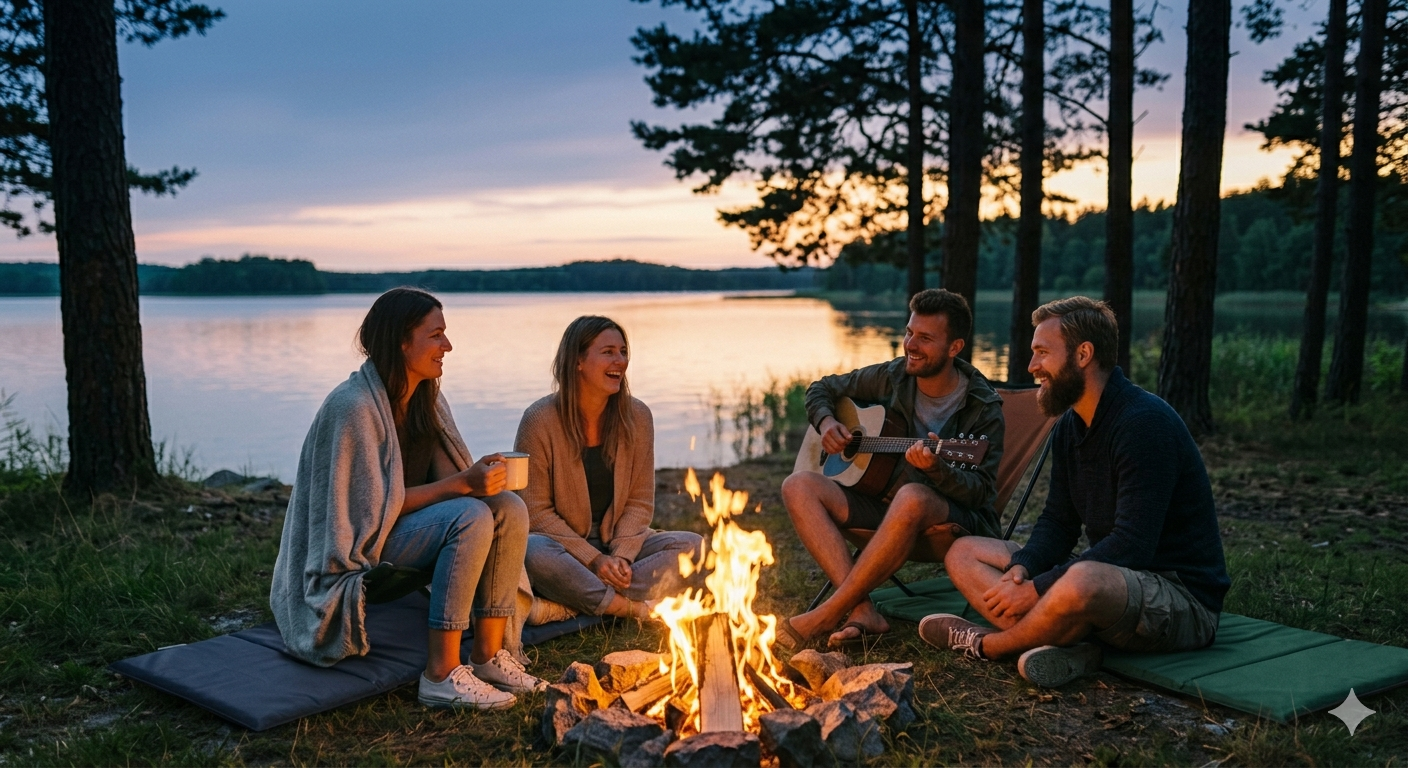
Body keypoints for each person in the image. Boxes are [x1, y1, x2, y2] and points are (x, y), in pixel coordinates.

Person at [921, 297, 1230, 687]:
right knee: (963, 552)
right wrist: (1025, 568)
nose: (1032, 367)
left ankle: (990, 645)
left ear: (1083, 354)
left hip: (1178, 598)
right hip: (1113, 586)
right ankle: (1071, 645)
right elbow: (1057, 521)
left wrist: (1037, 590)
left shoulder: (1144, 424)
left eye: (1042, 353)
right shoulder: (1071, 425)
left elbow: (1133, 545)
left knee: (1082, 580)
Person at [271, 288, 544, 712]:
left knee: (509, 507)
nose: (447, 346)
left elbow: (448, 480)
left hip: (403, 528)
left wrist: (479, 479)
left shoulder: (426, 399)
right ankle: (440, 674)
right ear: (402, 340)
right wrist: (464, 486)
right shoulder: (353, 407)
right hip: (362, 545)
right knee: (470, 516)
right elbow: (368, 513)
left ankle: (489, 657)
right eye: (436, 335)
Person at [777, 289, 1006, 649]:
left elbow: (980, 491)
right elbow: (821, 388)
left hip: (950, 525)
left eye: (925, 338)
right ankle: (863, 609)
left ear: (954, 347)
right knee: (798, 485)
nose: (911, 345)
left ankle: (829, 611)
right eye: (909, 332)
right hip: (885, 510)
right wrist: (826, 423)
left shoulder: (983, 407)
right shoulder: (895, 376)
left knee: (913, 495)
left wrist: (937, 470)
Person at [516, 315, 703, 622]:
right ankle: (630, 608)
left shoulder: (638, 416)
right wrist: (594, 560)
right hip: (563, 550)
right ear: (578, 360)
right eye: (608, 352)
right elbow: (535, 513)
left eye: (623, 351)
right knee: (533, 552)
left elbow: (639, 502)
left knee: (694, 547)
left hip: (618, 548)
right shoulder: (539, 420)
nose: (621, 361)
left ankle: (577, 602)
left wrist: (619, 558)